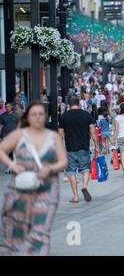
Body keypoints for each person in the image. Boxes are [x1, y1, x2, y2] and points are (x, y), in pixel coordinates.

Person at [0, 102, 68, 255]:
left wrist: (50, 168)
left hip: (47, 189)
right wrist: (13, 165)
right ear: (28, 117)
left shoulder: (53, 137)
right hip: (21, 189)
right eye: (33, 114)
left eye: (40, 114)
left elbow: (63, 162)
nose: (37, 118)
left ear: (45, 117)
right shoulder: (19, 135)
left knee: (40, 232)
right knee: (16, 231)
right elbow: (1, 149)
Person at [59, 97, 98, 203]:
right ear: (79, 104)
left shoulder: (64, 116)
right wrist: (97, 146)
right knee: (85, 169)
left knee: (71, 172)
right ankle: (84, 186)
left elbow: (60, 134)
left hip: (70, 148)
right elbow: (93, 132)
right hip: (84, 147)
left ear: (69, 105)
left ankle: (75, 197)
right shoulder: (86, 115)